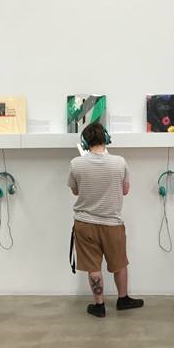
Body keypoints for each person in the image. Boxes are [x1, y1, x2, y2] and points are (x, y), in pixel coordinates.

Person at [68, 122, 143, 318]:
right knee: (119, 263)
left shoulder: (76, 163)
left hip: (85, 223)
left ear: (84, 142)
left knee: (93, 266)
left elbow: (75, 190)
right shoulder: (120, 162)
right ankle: (123, 299)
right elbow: (125, 191)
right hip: (112, 223)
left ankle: (99, 305)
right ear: (106, 138)